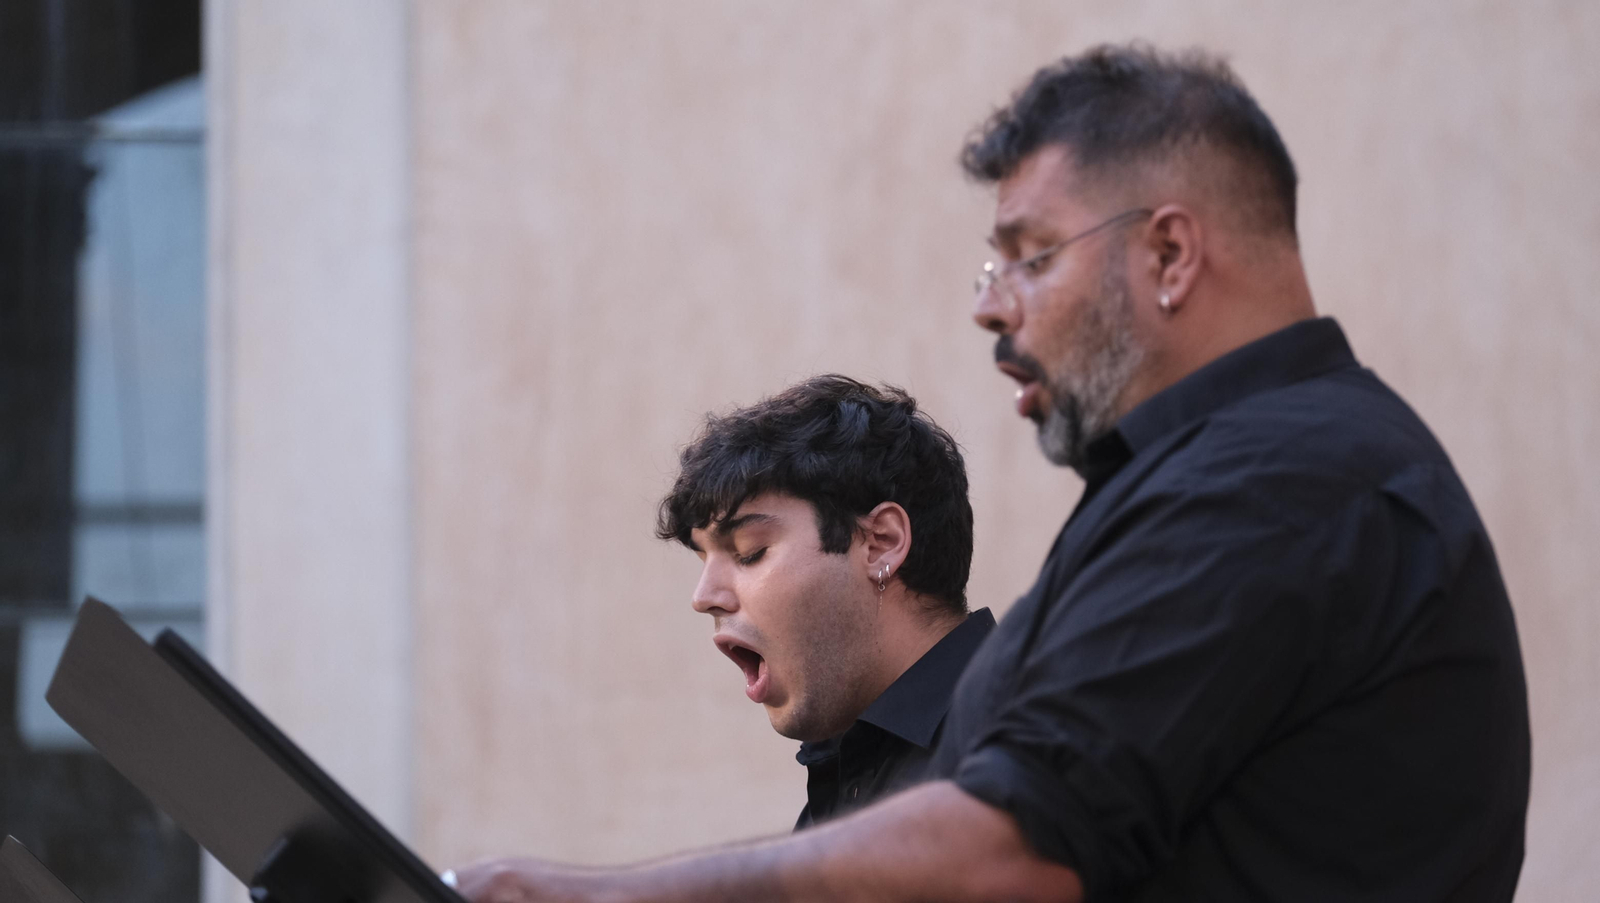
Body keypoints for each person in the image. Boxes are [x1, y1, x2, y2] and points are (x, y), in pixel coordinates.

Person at [456, 43, 1530, 902]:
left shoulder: (1274, 482)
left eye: (1030, 253)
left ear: (1168, 255)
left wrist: (585, 896)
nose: (988, 303)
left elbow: (1013, 848)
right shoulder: (1242, 473)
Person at [654, 374, 993, 828]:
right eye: (703, 559)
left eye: (749, 553)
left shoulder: (1024, 749)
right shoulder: (846, 767)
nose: (704, 598)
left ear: (880, 543)